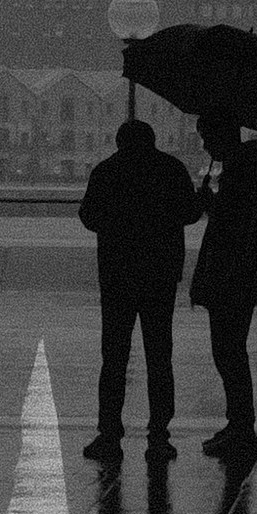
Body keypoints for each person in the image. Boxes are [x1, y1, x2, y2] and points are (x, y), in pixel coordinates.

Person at [77, 116, 197, 456]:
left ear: (119, 141)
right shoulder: (172, 169)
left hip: (117, 273)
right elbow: (189, 213)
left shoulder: (106, 171)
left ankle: (110, 432)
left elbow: (89, 217)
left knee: (114, 356)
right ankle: (159, 433)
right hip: (160, 273)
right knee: (160, 355)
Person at [189, 120, 257, 465]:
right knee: (232, 352)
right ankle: (240, 425)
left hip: (229, 280)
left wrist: (210, 201)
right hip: (240, 280)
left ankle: (241, 427)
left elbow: (231, 231)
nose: (205, 146)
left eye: (208, 138)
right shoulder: (248, 177)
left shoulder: (239, 179)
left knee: (228, 353)